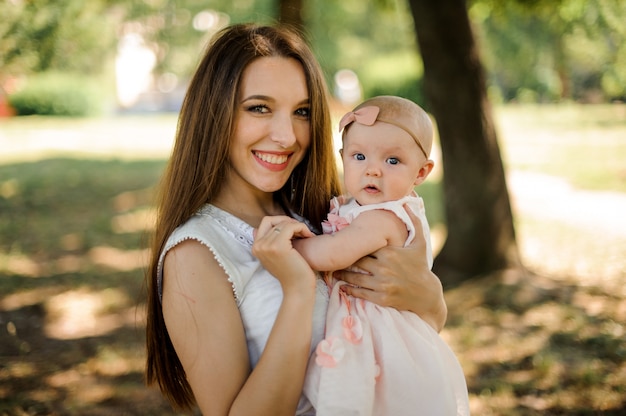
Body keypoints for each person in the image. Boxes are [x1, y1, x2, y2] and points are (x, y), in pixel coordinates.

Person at [144, 23, 448, 416]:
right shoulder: (196, 255)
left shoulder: (327, 214)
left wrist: (431, 298)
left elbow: (414, 334)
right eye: (259, 108)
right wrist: (299, 290)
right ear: (214, 114)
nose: (287, 136)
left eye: (302, 112)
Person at [292, 96, 470, 415]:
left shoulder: (384, 217)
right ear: (343, 157)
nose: (373, 170)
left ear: (421, 172)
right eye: (359, 156)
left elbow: (332, 254)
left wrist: (292, 246)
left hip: (386, 343)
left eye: (392, 161)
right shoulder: (363, 207)